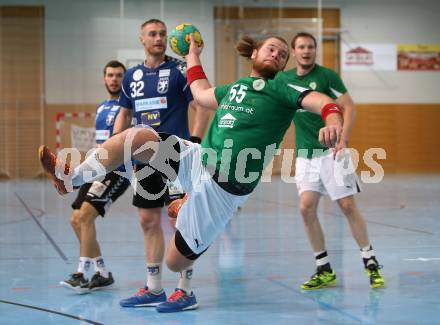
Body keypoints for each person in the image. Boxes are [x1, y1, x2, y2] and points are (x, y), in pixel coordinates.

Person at [39, 34, 343, 312]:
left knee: (174, 262)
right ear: (255, 54)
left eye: (282, 54)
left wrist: (332, 121)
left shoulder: (282, 88)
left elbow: (324, 102)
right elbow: (199, 93)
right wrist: (193, 54)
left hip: (224, 189)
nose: (277, 54)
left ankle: (186, 284)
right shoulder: (235, 88)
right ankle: (73, 177)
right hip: (196, 160)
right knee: (137, 136)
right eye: (271, 48)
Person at [112, 19, 210, 308]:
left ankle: (185, 289)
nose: (159, 38)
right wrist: (117, 146)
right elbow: (124, 114)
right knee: (147, 220)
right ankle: (154, 287)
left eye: (163, 34)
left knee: (181, 219)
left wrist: (193, 140)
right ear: (142, 39)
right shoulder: (131, 76)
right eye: (153, 34)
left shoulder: (179, 72)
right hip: (144, 157)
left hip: (174, 154)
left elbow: (203, 106)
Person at [283, 32, 385, 289]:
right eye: (302, 47)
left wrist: (343, 138)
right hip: (306, 155)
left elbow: (349, 106)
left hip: (332, 152)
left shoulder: (327, 76)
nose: (306, 51)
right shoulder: (284, 80)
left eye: (311, 47)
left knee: (347, 205)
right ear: (294, 52)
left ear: (315, 50)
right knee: (306, 208)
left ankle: (370, 260)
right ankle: (323, 267)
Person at [61, 60, 131, 292]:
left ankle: (82, 273)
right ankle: (102, 272)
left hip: (117, 171)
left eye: (119, 75)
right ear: (104, 79)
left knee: (85, 217)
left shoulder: (128, 107)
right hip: (96, 169)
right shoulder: (101, 108)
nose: (114, 79)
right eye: (110, 75)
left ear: (125, 79)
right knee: (75, 220)